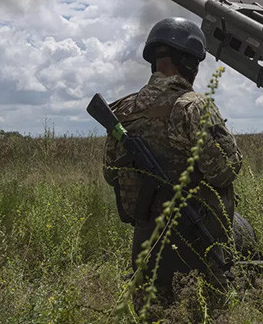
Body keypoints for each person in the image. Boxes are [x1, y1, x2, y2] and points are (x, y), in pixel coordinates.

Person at [101, 17, 242, 300]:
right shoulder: (193, 106)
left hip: (146, 242)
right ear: (188, 62)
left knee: (151, 314)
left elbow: (110, 174)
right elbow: (223, 172)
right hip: (196, 238)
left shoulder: (123, 110)